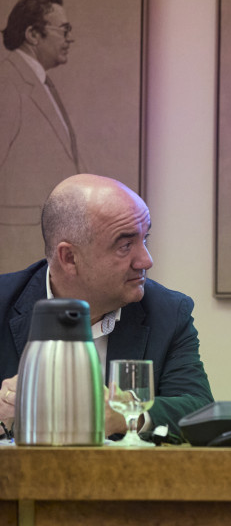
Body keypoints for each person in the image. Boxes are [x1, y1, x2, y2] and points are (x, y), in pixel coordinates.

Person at [0, 174, 213, 439]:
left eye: (144, 239)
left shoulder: (168, 312)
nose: (146, 260)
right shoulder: (4, 302)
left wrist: (125, 414)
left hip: (123, 478)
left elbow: (200, 409)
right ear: (69, 258)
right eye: (125, 245)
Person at [0, 0, 83, 274]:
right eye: (64, 29)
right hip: (18, 247)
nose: (70, 37)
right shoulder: (8, 83)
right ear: (33, 34)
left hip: (45, 247)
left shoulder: (41, 83)